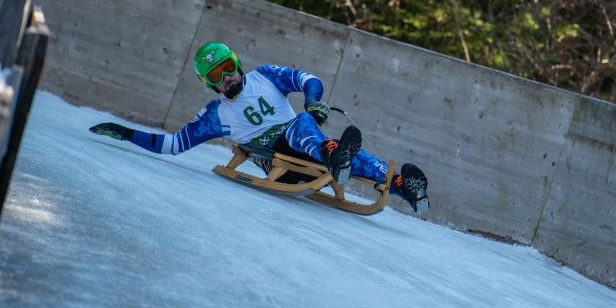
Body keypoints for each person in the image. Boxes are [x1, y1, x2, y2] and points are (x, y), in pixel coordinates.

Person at [89, 42, 429, 213]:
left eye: (227, 69)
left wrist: (313, 101)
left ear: (237, 63)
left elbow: (307, 78)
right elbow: (172, 145)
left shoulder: (265, 76)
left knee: (319, 132)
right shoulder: (214, 114)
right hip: (275, 160)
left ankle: (401, 186)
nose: (226, 80)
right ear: (209, 85)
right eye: (215, 78)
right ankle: (333, 156)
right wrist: (126, 133)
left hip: (305, 138)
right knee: (307, 129)